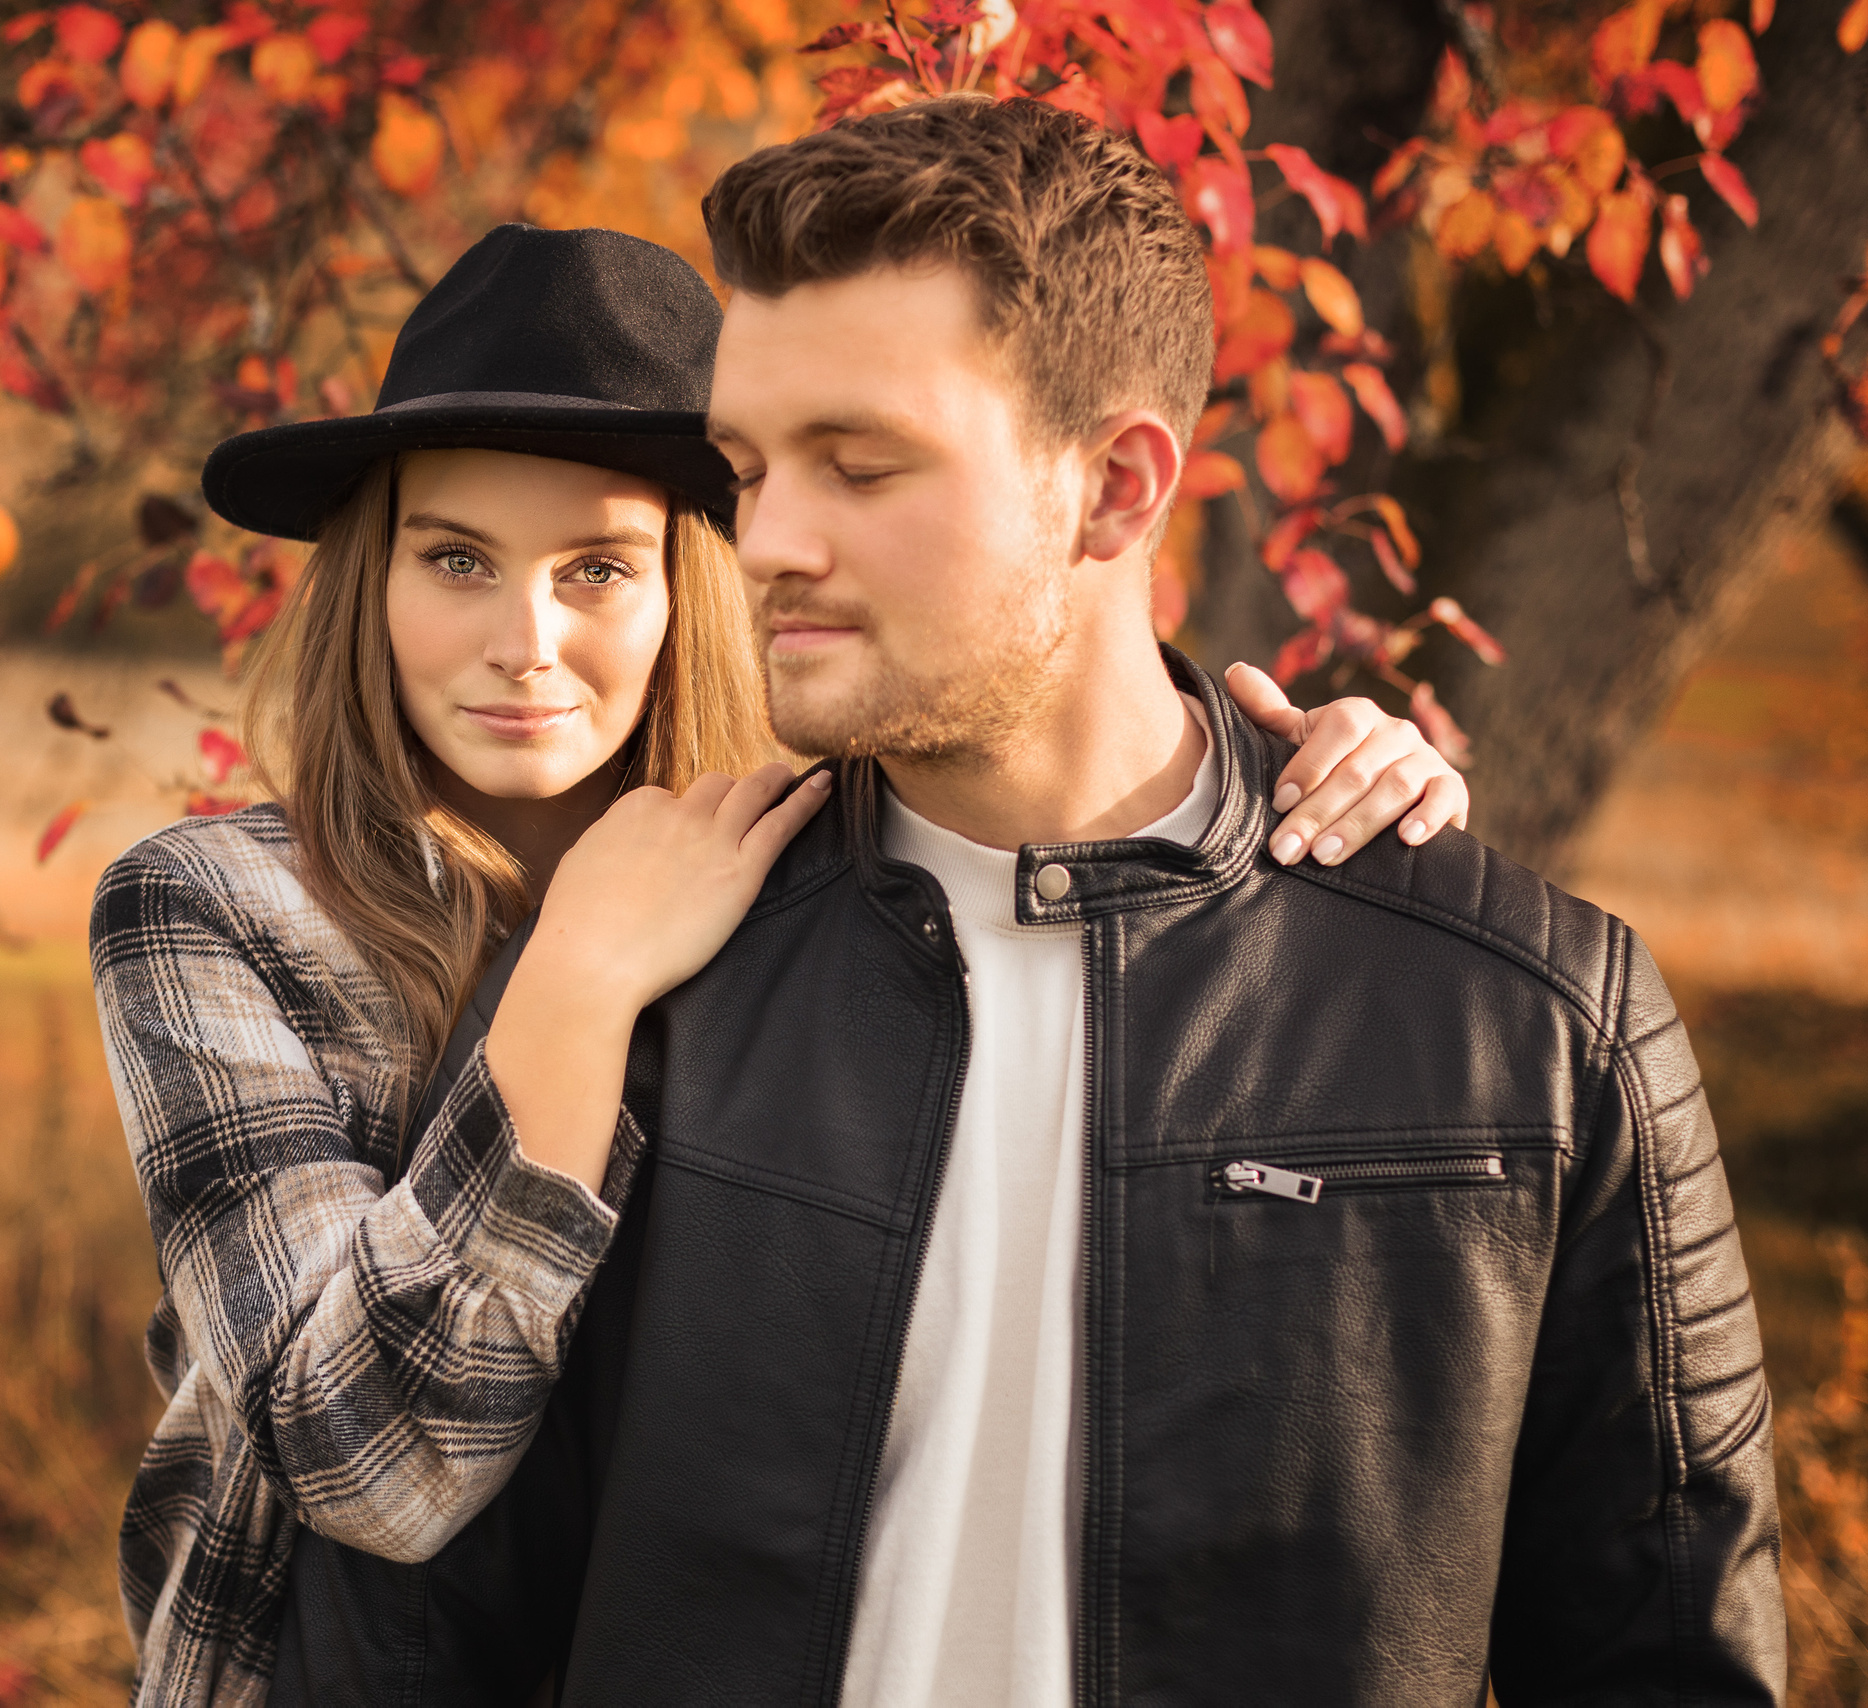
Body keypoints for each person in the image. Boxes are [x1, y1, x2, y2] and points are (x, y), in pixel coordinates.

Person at [269, 100, 1784, 1705]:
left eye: (859, 465)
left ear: (1116, 489)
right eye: (747, 471)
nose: (764, 543)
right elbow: (406, 1649)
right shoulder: (633, 981)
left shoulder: (1525, 1022)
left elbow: (1665, 1665)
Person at [90, 222, 1474, 1705]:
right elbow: (366, 1466)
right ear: (372, 578)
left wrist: (1292, 788)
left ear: (699, 582)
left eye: (599, 568)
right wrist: (576, 984)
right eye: (456, 560)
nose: (524, 641)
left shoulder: (826, 895)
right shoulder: (220, 911)